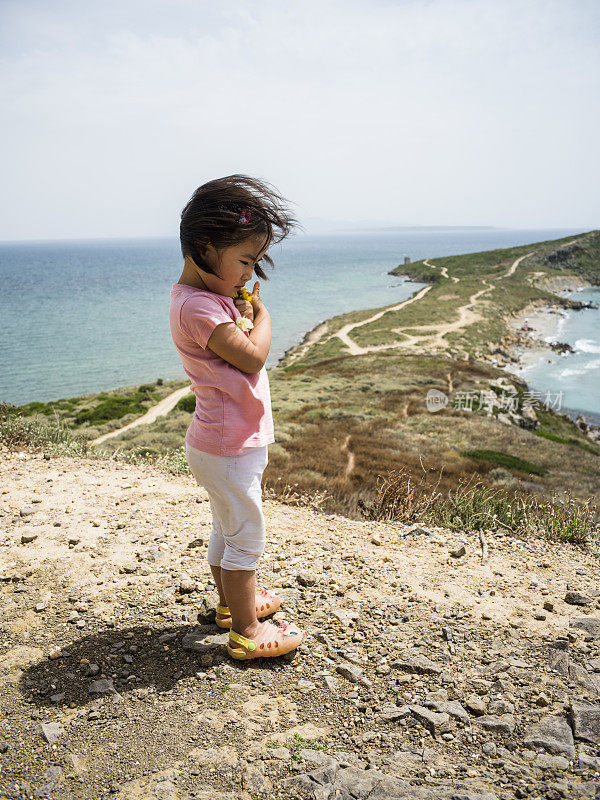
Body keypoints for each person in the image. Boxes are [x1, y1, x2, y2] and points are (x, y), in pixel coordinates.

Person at [169, 174, 304, 660]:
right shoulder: (201, 307)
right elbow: (250, 358)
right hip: (227, 445)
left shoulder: (209, 300)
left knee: (226, 529)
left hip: (224, 443)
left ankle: (231, 605)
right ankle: (247, 631)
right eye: (245, 261)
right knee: (245, 534)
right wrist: (263, 319)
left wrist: (242, 307)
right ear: (204, 249)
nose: (250, 274)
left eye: (256, 262)